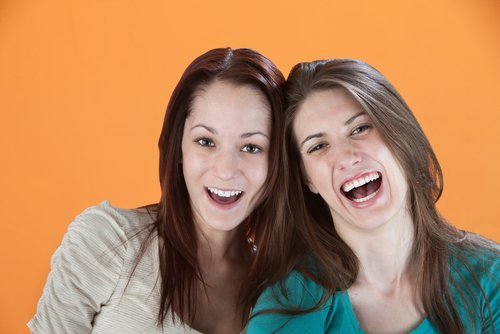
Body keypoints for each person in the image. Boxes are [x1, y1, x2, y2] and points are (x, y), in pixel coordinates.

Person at [28, 47, 286, 334]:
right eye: (205, 141)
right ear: (178, 148)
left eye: (251, 147)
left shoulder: (285, 292)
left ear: (277, 161)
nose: (226, 170)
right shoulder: (109, 241)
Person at [247, 59, 499, 333]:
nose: (345, 157)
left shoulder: (489, 278)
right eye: (318, 146)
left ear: (399, 134)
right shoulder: (293, 300)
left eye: (360, 128)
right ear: (308, 178)